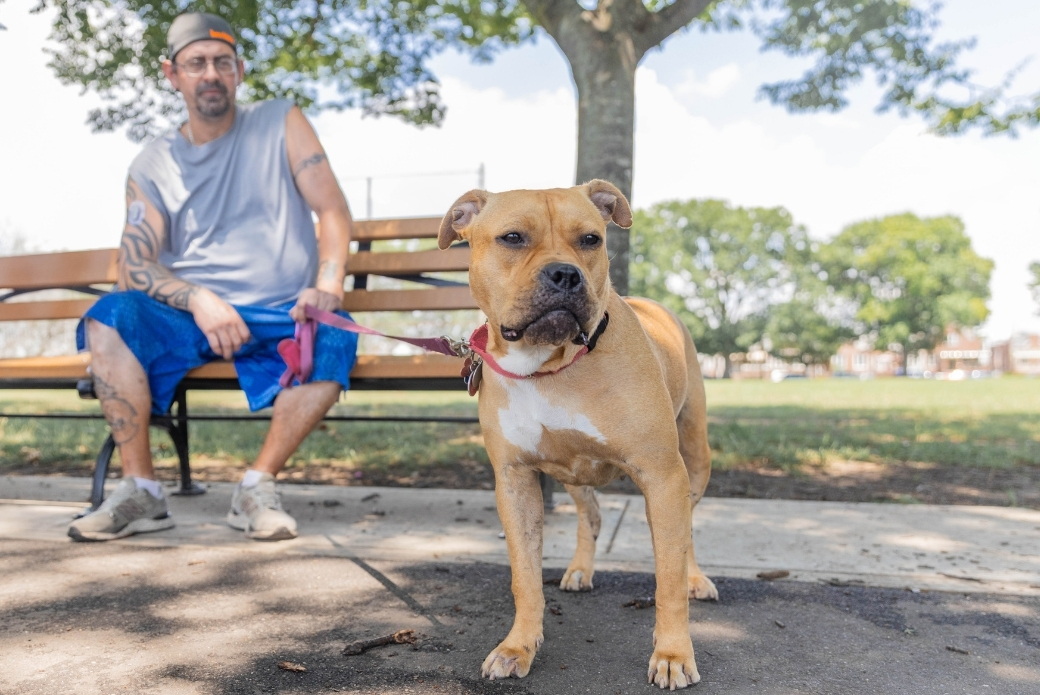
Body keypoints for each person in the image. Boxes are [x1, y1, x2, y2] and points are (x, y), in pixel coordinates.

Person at [68, 12, 358, 542]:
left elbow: (333, 211)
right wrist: (199, 297)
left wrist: (328, 284)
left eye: (222, 62)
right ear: (171, 74)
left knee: (336, 329)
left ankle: (256, 485)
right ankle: (141, 491)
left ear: (240, 70)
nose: (210, 73)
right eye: (196, 62)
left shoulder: (281, 120)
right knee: (109, 316)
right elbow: (134, 264)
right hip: (189, 316)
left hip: (281, 311)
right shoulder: (152, 163)